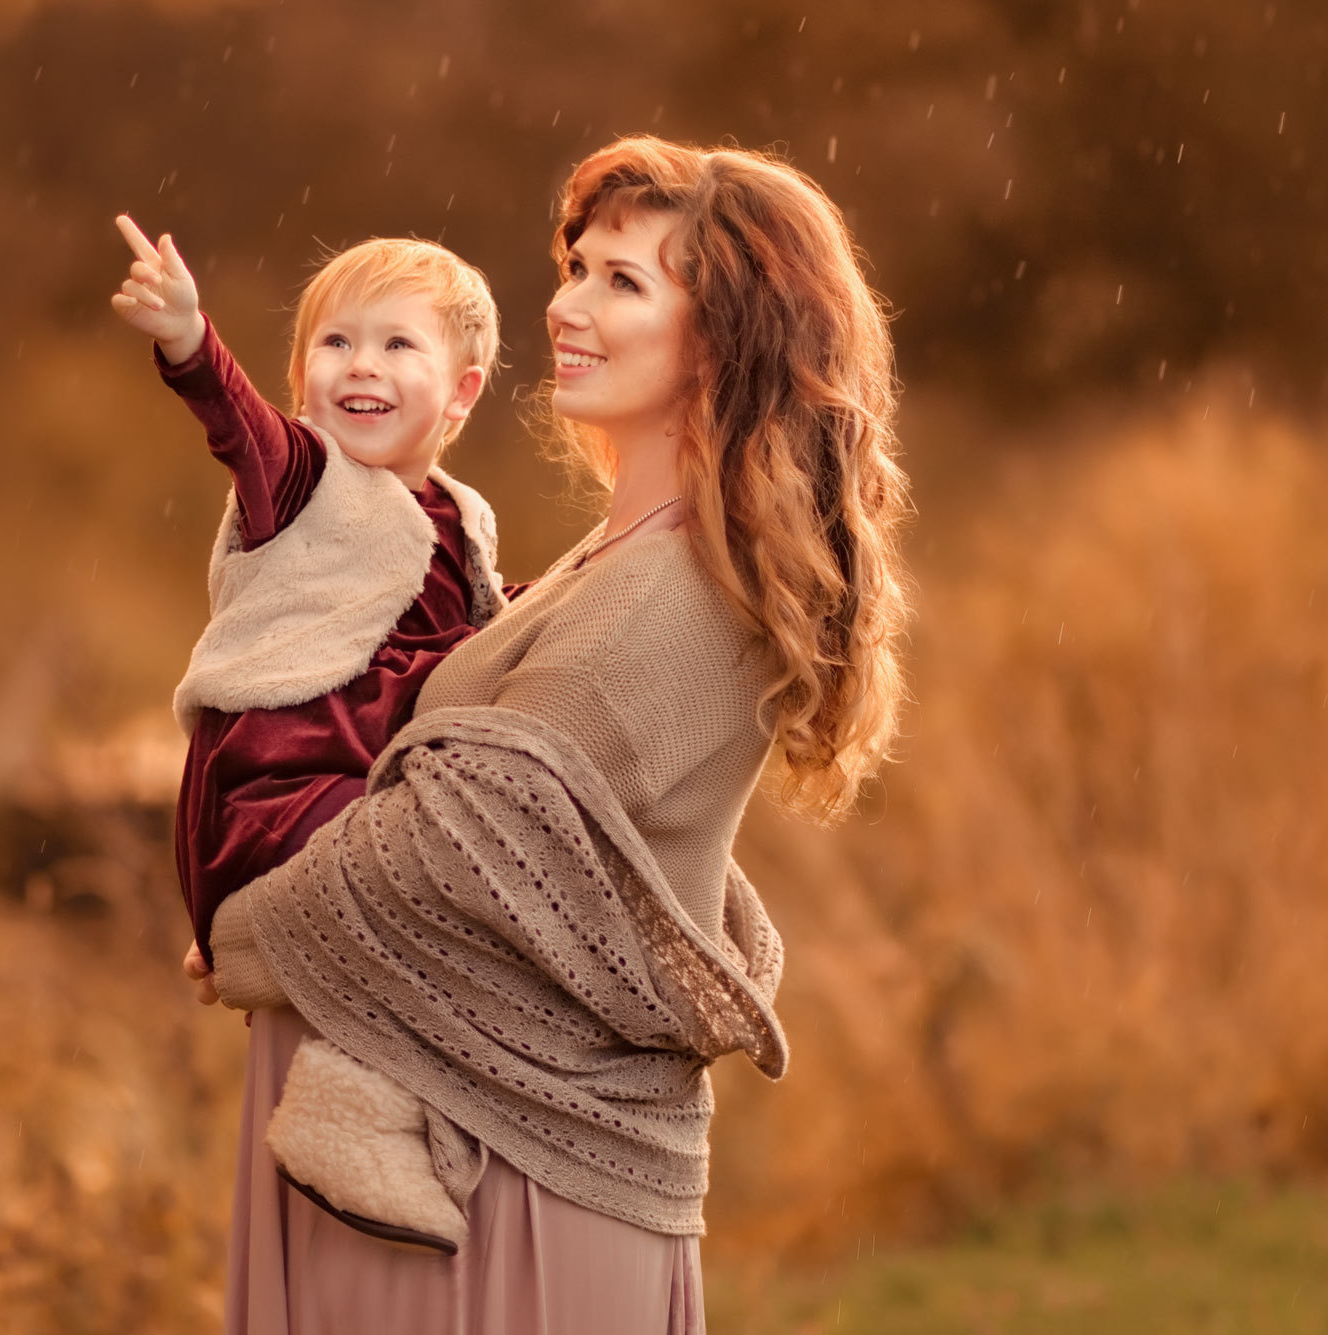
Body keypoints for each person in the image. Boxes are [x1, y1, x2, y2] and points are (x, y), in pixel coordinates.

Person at [193, 135, 915, 1333]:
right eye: (575, 266)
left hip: (501, 1180)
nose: (566, 303)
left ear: (724, 337)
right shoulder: (604, 560)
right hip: (445, 1141)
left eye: (622, 282)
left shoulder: (676, 592)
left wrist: (241, 931)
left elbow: (461, 846)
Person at [109, 217, 513, 1250]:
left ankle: (406, 1099)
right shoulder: (298, 482)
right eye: (334, 344)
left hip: (359, 787)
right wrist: (190, 342)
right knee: (413, 873)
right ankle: (341, 1108)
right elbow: (233, 421)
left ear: (461, 390)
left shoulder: (459, 513)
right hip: (276, 788)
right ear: (299, 382)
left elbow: (489, 628)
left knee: (478, 883)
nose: (360, 367)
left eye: (395, 344)